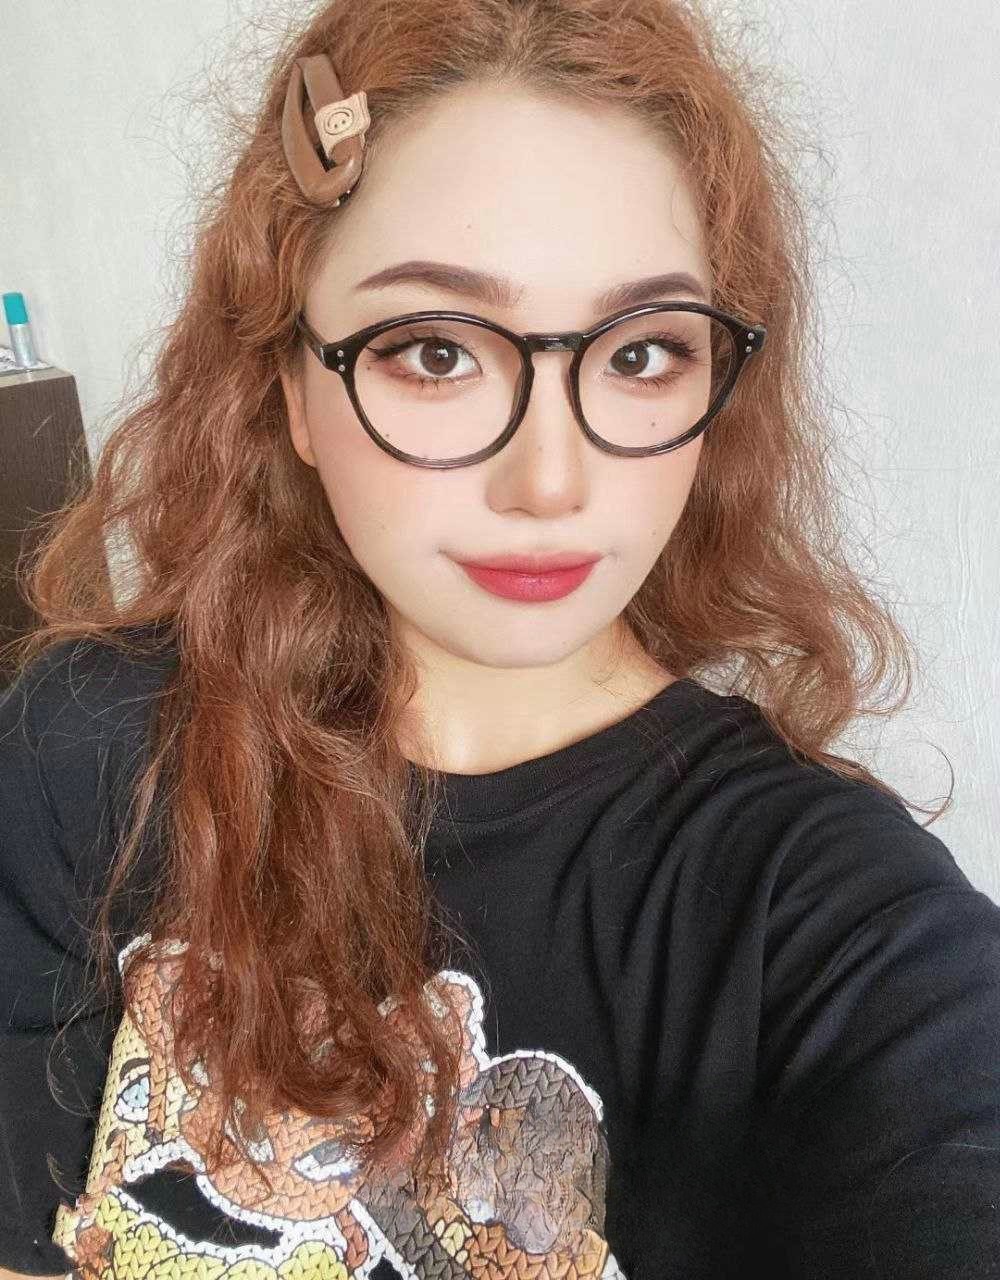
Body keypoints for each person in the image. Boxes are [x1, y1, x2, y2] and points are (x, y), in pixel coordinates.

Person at [1, 1, 998, 1277]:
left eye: (641, 352)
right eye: (434, 351)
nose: (549, 480)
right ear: (292, 387)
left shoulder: (822, 913)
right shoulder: (86, 751)